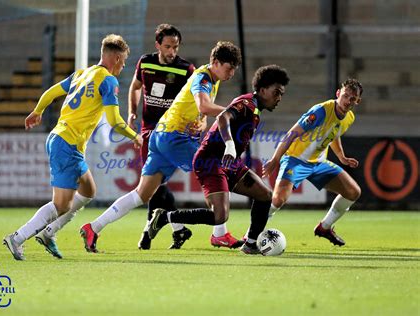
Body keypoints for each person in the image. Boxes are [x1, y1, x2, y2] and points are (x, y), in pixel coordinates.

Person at [80, 41, 243, 253]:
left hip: (162, 136)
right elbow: (204, 105)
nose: (231, 73)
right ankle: (220, 234)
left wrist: (202, 122)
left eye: (234, 70)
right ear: (216, 62)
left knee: (141, 194)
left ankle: (93, 227)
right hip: (174, 137)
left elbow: (201, 110)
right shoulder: (202, 77)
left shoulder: (213, 79)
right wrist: (232, 111)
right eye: (229, 68)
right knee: (215, 169)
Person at [3, 34, 142, 260]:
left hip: (62, 139)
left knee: (88, 190)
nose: (124, 65)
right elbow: (115, 121)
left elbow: (51, 92)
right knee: (61, 204)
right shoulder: (108, 80)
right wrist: (135, 136)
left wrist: (37, 111)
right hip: (67, 143)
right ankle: (17, 237)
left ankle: (50, 232)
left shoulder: (81, 74)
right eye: (124, 60)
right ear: (116, 58)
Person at [146, 65, 290, 255]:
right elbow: (223, 117)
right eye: (276, 92)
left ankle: (251, 244)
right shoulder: (247, 104)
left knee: (264, 195)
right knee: (219, 216)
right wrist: (230, 145)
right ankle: (164, 217)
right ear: (263, 90)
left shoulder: (255, 110)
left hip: (230, 163)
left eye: (281, 94)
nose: (279, 98)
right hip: (210, 160)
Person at [262, 78, 363, 246]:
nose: (348, 101)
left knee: (353, 192)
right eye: (345, 96)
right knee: (278, 199)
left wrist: (342, 157)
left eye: (352, 98)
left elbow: (334, 134)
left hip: (318, 163)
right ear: (338, 93)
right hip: (295, 159)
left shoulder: (349, 117)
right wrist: (275, 158)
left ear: (357, 101)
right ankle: (251, 236)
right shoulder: (321, 111)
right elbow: (292, 133)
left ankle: (325, 227)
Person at [127, 24, 195, 250]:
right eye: (167, 46)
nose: (172, 51)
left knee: (153, 185)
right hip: (149, 131)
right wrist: (131, 111)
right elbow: (135, 86)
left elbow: (198, 98)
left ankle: (149, 233)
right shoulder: (145, 62)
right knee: (157, 184)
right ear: (157, 45)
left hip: (173, 134)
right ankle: (179, 229)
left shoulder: (186, 69)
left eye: (175, 47)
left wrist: (200, 120)